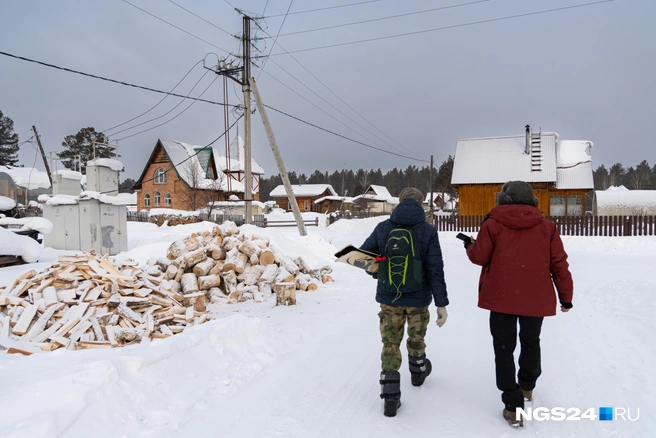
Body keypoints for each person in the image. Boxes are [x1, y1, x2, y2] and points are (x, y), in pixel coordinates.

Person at [464, 181, 573, 427]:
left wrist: (471, 246)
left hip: (501, 297)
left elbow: (480, 257)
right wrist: (565, 297)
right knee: (531, 342)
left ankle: (512, 406)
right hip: (536, 298)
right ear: (531, 201)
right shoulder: (547, 227)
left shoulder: (492, 224)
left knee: (503, 349)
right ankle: (527, 386)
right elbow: (559, 264)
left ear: (503, 199)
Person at [360, 187, 449, 417]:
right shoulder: (428, 230)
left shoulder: (383, 228)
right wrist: (441, 304)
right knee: (416, 336)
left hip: (390, 297)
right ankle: (418, 373)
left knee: (390, 341)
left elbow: (364, 257)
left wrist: (379, 271)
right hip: (419, 298)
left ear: (399, 203)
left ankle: (390, 397)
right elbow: (435, 269)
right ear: (421, 204)